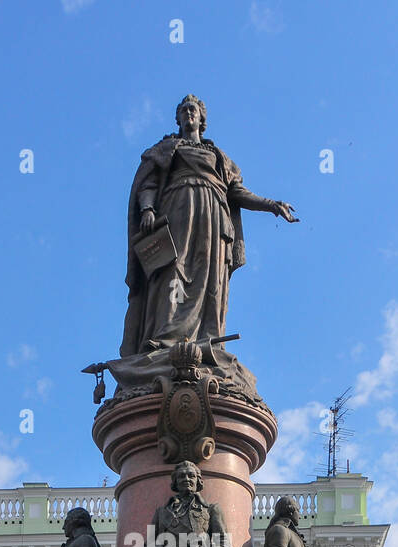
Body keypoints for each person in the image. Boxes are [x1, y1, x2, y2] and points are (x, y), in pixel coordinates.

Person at [121, 95, 298, 359]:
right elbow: (148, 184)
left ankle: (208, 339)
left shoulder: (217, 156)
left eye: (193, 110)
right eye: (184, 110)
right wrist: (147, 208)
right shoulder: (168, 148)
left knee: (210, 275)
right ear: (178, 118)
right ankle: (164, 338)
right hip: (178, 210)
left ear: (202, 119)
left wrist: (271, 205)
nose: (189, 113)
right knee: (174, 270)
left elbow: (237, 192)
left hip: (214, 217)